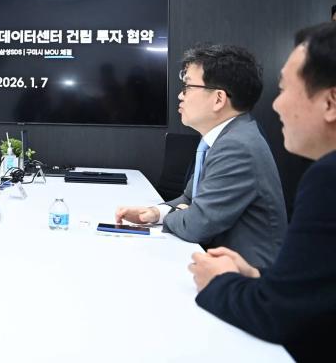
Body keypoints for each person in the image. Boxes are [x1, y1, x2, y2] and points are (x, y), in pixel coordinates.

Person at [189, 23, 336, 361]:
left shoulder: (328, 179)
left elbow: (278, 317)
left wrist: (217, 281)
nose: (276, 105)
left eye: (284, 89)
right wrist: (256, 276)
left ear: (330, 102)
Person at [115, 44, 287, 268]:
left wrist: (175, 215)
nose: (180, 95)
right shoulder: (223, 137)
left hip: (248, 274)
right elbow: (190, 199)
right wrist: (154, 213)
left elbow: (197, 224)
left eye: (188, 87)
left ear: (218, 99)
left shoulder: (237, 146)